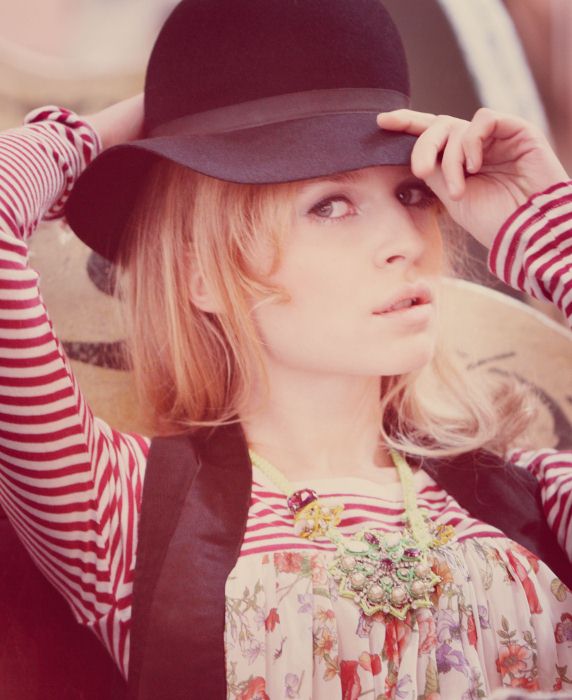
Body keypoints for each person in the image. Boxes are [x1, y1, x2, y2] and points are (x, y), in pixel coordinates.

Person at [1, 0, 572, 698]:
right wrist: (130, 121)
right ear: (202, 274)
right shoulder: (124, 513)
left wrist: (546, 224)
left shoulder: (540, 494)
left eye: (412, 193)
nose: (406, 242)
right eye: (330, 205)